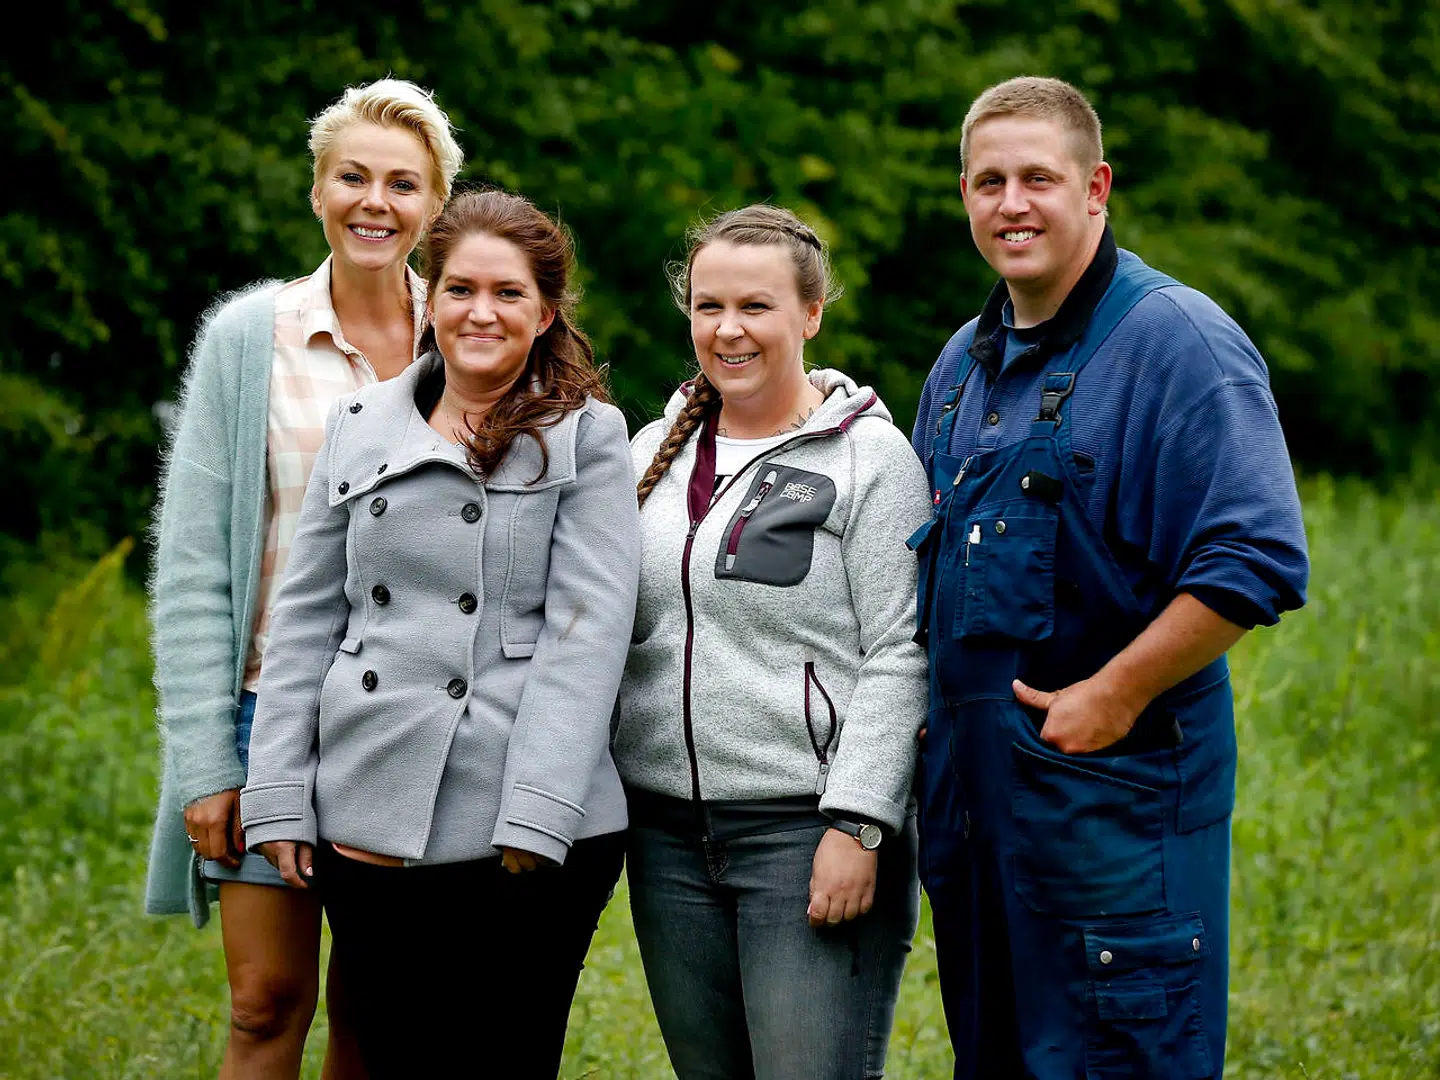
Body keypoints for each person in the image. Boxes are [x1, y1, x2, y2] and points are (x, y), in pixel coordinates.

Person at [908, 76, 1310, 1079]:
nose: (1012, 204)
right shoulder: (960, 366)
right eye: (989, 181)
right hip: (979, 825)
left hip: (1115, 820)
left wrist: (1115, 693)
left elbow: (1255, 558)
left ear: (1096, 188)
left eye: (1038, 178)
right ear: (963, 194)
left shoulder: (1176, 342)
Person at [237, 187, 639, 1079]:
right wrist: (277, 791)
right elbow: (305, 621)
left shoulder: (587, 435)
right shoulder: (362, 422)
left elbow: (589, 633)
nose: (481, 312)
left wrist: (536, 817)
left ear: (544, 313)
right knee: (388, 1050)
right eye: (460, 289)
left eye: (507, 293)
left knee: (501, 1058)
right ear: (431, 297)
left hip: (522, 817)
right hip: (370, 800)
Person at [145, 78, 462, 1077]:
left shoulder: (469, 337)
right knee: (263, 1004)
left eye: (402, 184)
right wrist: (207, 759)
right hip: (263, 716)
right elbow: (195, 564)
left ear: (435, 207)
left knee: (376, 1013)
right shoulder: (250, 340)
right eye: (353, 177)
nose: (376, 202)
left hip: (410, 726)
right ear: (319, 191)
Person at [615, 204, 930, 1080]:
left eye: (756, 307)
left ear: (811, 313)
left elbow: (903, 648)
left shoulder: (870, 459)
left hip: (806, 831)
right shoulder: (650, 453)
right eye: (709, 306)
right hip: (669, 836)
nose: (729, 329)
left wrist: (861, 824)